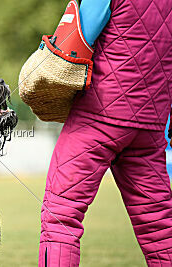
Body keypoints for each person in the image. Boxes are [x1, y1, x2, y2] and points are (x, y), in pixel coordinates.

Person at [38, 0, 172, 266]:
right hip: (151, 124)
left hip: (98, 115)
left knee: (61, 216)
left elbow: (79, 35)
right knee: (159, 226)